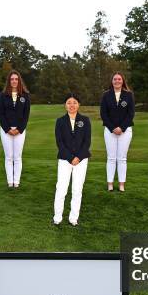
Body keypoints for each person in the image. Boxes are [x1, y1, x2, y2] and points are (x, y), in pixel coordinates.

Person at [53, 93, 91, 226]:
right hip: (64, 160)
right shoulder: (60, 121)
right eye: (69, 102)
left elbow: (87, 142)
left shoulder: (85, 120)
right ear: (65, 105)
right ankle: (57, 218)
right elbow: (60, 142)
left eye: (74, 102)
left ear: (78, 104)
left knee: (77, 190)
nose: (72, 105)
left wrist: (78, 157)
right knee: (61, 189)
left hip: (81, 160)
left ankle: (73, 218)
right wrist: (70, 158)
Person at [100, 71, 135, 192]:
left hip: (125, 131)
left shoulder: (128, 95)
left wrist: (122, 128)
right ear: (112, 81)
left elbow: (131, 114)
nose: (117, 81)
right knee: (111, 158)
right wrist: (113, 128)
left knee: (122, 158)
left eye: (119, 79)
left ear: (123, 81)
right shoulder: (106, 95)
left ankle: (121, 184)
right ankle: (110, 183)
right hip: (110, 131)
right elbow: (103, 114)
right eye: (115, 79)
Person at [0, 70, 31, 188]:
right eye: (12, 79)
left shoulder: (25, 95)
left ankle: (16, 182)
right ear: (9, 81)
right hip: (5, 130)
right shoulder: (3, 95)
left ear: (19, 80)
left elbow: (26, 115)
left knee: (17, 156)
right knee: (9, 156)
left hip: (20, 130)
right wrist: (7, 129)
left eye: (16, 79)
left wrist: (19, 129)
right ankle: (9, 182)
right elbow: (1, 114)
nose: (14, 81)